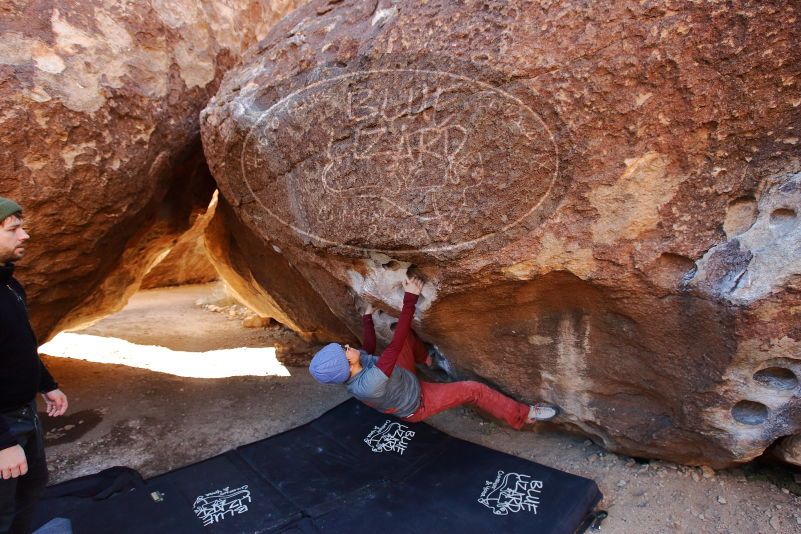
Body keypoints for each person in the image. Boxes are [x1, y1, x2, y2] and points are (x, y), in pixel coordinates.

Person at [309, 276, 558, 429]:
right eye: (344, 351)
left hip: (399, 377)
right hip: (418, 401)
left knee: (405, 336)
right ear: (347, 366)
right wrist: (410, 299)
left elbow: (369, 348)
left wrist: (366, 319)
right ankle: (524, 414)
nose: (347, 347)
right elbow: (393, 347)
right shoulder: (368, 384)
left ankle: (426, 359)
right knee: (474, 390)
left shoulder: (354, 368)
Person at [0, 197, 68, 534]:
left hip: (24, 414)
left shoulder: (9, 284)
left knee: (32, 487)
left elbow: (21, 346)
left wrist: (46, 383)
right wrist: (2, 443)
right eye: (14, 229)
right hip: (4, 424)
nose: (24, 235)